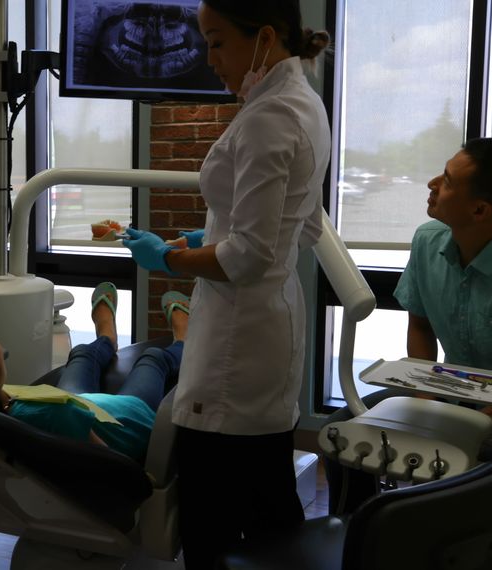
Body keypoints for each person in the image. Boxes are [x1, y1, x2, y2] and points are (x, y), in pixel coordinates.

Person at [121, 1, 331, 567]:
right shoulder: (304, 103)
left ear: (264, 36)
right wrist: (208, 233)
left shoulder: (268, 117)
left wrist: (165, 256)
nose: (208, 58)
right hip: (271, 323)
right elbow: (301, 225)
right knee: (267, 499)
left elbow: (248, 257)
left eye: (216, 42)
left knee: (212, 513)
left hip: (238, 337)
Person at [322, 138, 492, 513]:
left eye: (447, 181)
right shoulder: (428, 241)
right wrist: (427, 401)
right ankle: (357, 532)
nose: (432, 184)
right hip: (452, 394)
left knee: (450, 463)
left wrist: (461, 422)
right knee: (340, 430)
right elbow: (420, 327)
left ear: (480, 209)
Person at [0, 283, 190, 463]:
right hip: (126, 420)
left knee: (81, 354)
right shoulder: (51, 416)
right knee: (152, 359)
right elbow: (113, 471)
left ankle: (106, 338)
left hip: (75, 406)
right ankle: (183, 339)